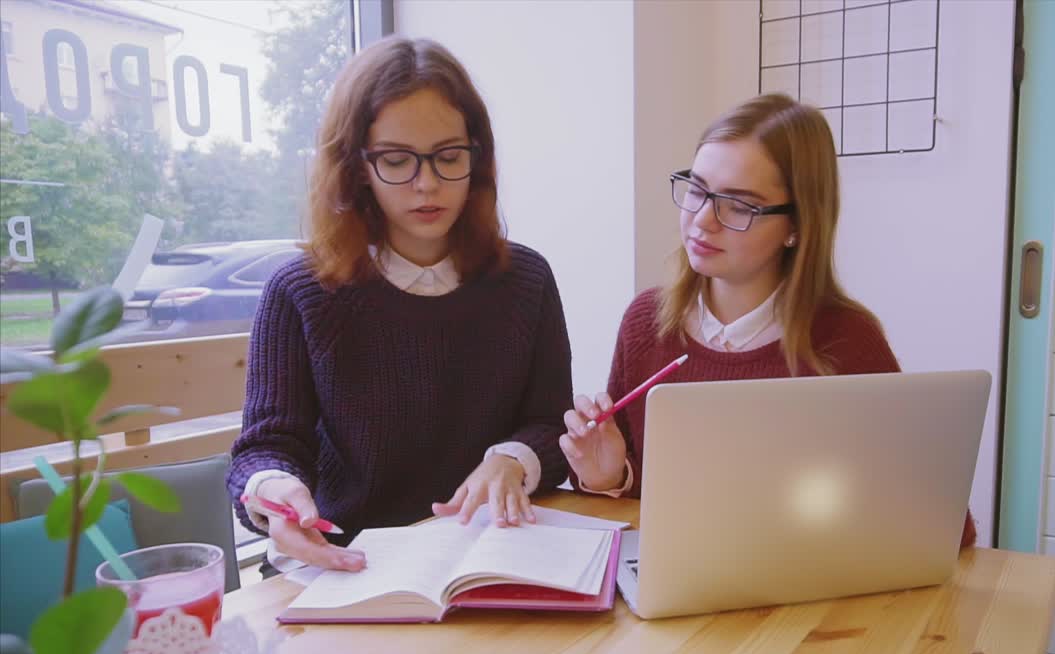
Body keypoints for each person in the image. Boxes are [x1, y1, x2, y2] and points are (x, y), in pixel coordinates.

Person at [560, 93, 977, 548]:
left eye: (739, 206)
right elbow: (637, 504)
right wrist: (610, 477)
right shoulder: (647, 322)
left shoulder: (845, 343)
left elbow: (947, 527)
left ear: (797, 226)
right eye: (697, 190)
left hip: (803, 581)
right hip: (674, 577)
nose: (702, 220)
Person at [227, 36, 574, 573]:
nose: (426, 184)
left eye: (449, 157)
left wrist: (512, 459)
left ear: (477, 158)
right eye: (396, 160)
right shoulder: (300, 290)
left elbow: (550, 424)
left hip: (491, 558)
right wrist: (275, 491)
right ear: (357, 166)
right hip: (348, 564)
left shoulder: (525, 280)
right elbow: (266, 446)